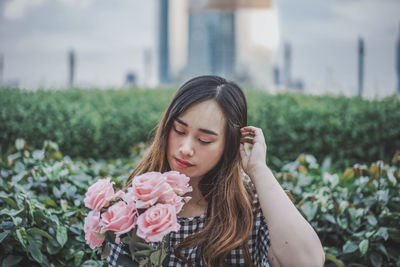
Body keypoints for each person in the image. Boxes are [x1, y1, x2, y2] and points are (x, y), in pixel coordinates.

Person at [105, 75, 325, 266]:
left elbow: (307, 261)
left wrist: (259, 170)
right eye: (179, 130)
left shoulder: (250, 208)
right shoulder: (134, 204)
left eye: (204, 140)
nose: (186, 148)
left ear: (229, 145)